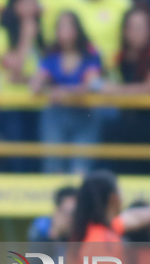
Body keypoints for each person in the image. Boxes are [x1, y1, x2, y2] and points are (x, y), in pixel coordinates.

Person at [101, 3, 150, 175]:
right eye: (132, 27)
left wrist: (115, 90)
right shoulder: (119, 57)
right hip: (131, 117)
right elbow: (103, 79)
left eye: (140, 27)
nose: (136, 32)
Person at [31, 11, 102, 174]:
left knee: (81, 166)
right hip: (56, 115)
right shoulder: (51, 55)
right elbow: (36, 85)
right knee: (53, 165)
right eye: (60, 27)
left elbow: (91, 85)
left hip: (85, 115)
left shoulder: (90, 54)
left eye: (68, 26)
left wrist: (61, 92)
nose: (64, 31)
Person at [0, 0, 45, 172]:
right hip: (11, 104)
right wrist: (26, 36)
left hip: (37, 103)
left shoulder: (41, 34)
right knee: (17, 158)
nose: (31, 7)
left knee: (36, 157)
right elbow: (15, 67)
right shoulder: (1, 34)